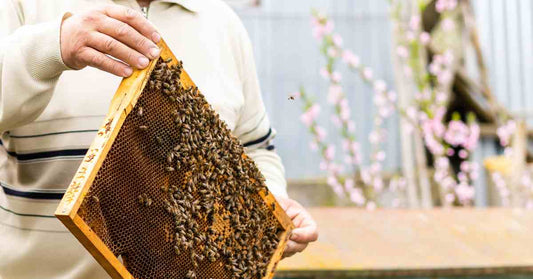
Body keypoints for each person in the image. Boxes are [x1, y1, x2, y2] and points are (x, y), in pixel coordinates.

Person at [0, 0, 318, 278]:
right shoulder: (22, 5)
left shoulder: (221, 21)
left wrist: (270, 211)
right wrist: (53, 46)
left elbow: (253, 145)